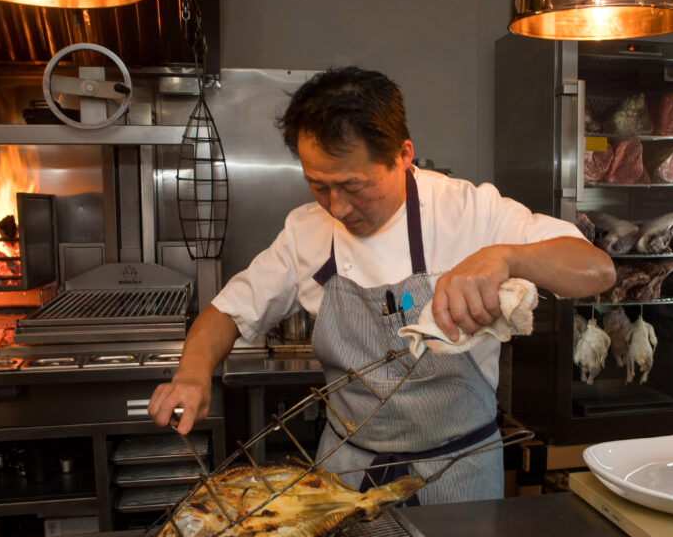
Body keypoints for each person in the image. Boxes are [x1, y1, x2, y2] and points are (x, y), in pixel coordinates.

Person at [149, 66, 615, 504]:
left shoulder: (470, 211)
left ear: (403, 155)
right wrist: (192, 373)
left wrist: (509, 256)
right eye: (318, 185)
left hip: (460, 474)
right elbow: (226, 313)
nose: (338, 207)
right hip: (348, 475)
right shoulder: (304, 233)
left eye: (354, 186)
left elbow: (596, 270)